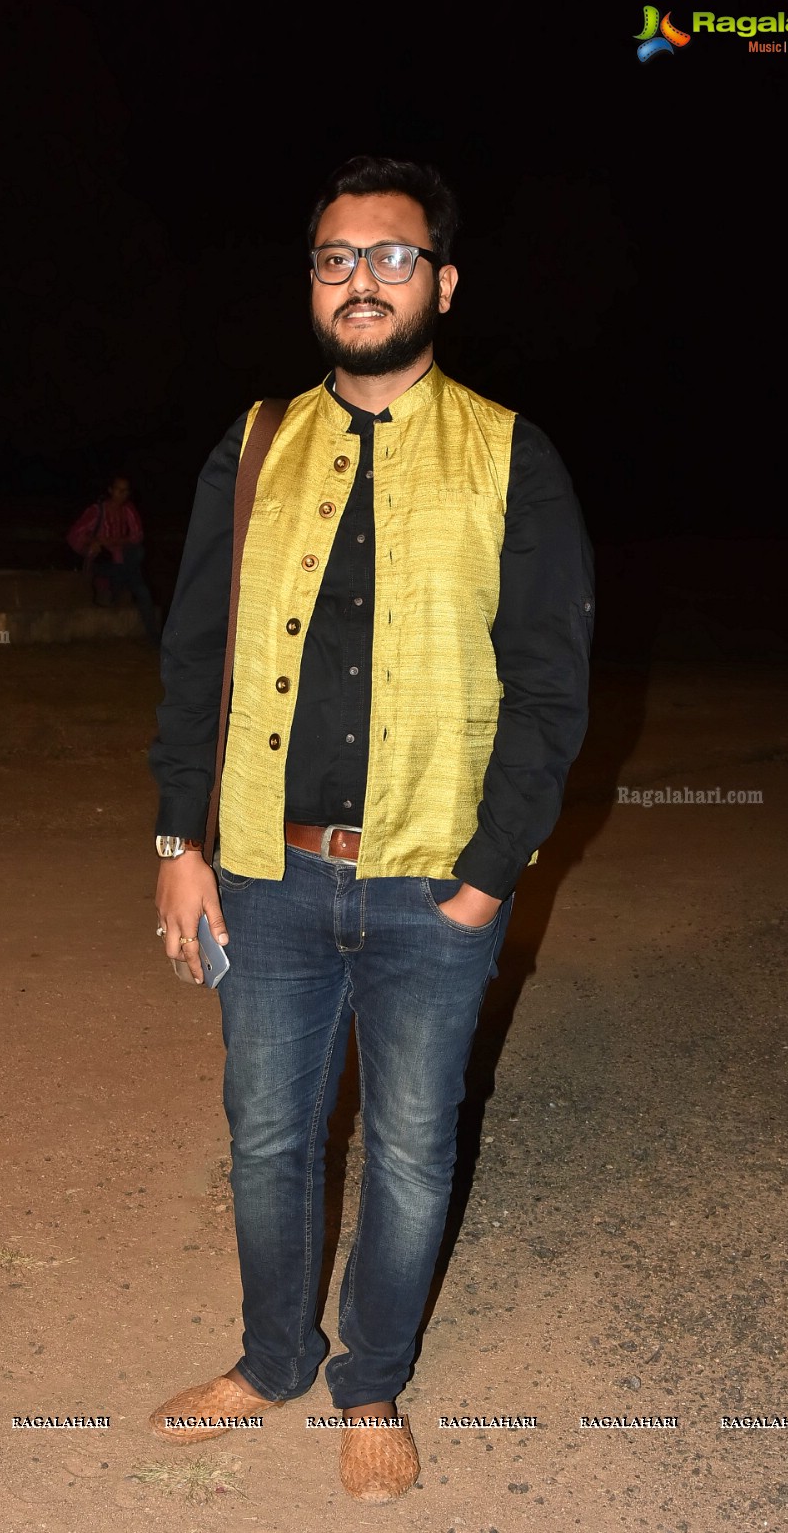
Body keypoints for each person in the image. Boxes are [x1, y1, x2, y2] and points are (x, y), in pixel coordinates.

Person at [148, 156, 594, 1503]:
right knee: (267, 1137)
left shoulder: (511, 451)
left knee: (407, 1146)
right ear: (311, 281)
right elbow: (193, 656)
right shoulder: (257, 442)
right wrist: (178, 845)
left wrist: (480, 877)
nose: (360, 278)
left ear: (441, 283)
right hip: (265, 875)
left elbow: (550, 687)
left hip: (428, 886)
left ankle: (372, 1380)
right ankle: (270, 1354)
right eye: (335, 257)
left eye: (390, 257)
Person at [67, 474, 159, 642]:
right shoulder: (97, 510)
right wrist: (95, 542)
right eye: (118, 490)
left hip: (124, 559)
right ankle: (113, 591)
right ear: (111, 490)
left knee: (140, 579)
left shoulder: (128, 509)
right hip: (104, 561)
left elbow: (137, 535)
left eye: (125, 491)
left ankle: (154, 637)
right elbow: (75, 534)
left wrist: (114, 541)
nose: (122, 494)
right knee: (133, 577)